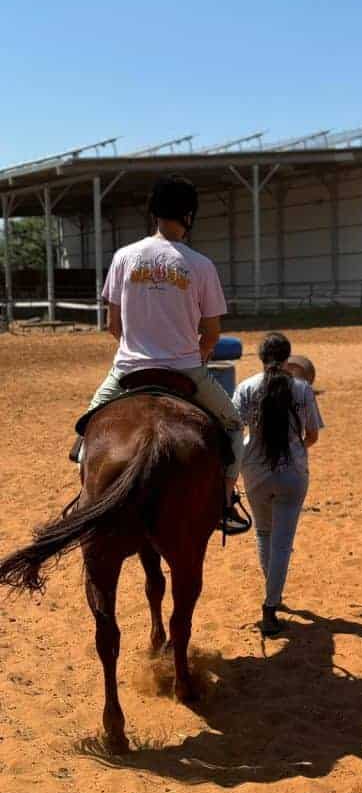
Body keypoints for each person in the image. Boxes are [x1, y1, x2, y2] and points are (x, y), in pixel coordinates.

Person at [79, 175, 250, 534]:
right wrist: (198, 357)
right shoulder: (201, 265)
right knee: (233, 427)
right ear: (189, 215)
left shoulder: (124, 257)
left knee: (85, 434)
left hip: (128, 369)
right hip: (186, 370)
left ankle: (86, 499)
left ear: (153, 212)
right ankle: (225, 502)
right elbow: (213, 333)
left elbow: (113, 325)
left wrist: (136, 351)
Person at [233, 332, 324, 636]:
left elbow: (234, 431)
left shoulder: (245, 388)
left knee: (263, 532)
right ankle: (271, 605)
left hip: (254, 471)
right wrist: (295, 447)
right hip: (292, 472)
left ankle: (273, 592)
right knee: (283, 543)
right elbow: (312, 436)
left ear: (260, 357)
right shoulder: (302, 390)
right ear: (288, 357)